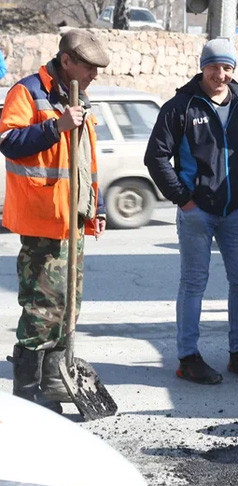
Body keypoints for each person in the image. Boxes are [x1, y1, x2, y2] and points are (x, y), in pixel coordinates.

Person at [145, 37, 238, 384]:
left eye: (227, 67)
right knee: (193, 284)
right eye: (214, 66)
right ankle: (188, 358)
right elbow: (155, 157)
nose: (221, 74)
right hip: (197, 213)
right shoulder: (180, 107)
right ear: (202, 67)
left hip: (236, 213)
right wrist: (183, 199)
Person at [0, 29, 109, 412]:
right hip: (43, 220)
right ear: (67, 61)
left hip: (72, 221)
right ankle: (27, 395)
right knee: (42, 310)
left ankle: (53, 386)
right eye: (89, 67)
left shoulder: (78, 98)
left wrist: (95, 209)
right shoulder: (28, 92)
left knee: (68, 308)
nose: (95, 74)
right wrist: (54, 127)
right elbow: (8, 141)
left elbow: (82, 163)